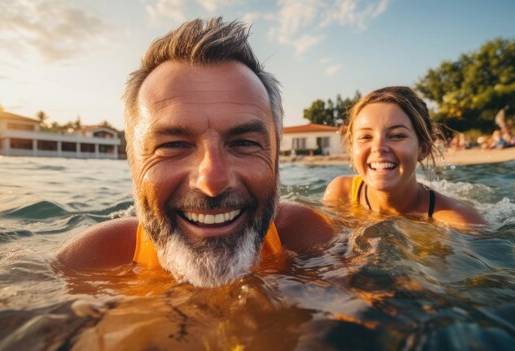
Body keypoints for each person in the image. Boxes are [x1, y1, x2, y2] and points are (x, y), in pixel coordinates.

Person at [56, 17, 334, 288]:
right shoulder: (87, 267)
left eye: (244, 143)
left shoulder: (308, 237)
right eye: (173, 145)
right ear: (133, 163)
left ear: (276, 159)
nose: (212, 182)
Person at [323, 86, 487, 226]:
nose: (378, 148)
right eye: (366, 137)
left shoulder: (460, 221)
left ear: (423, 149)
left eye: (397, 136)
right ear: (352, 149)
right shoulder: (341, 193)